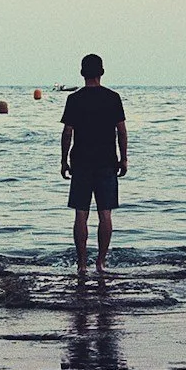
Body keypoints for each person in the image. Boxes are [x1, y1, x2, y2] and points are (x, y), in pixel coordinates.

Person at [58, 53, 128, 278]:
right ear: (102, 72)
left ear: (82, 73)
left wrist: (63, 160)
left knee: (81, 213)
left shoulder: (74, 99)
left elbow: (67, 132)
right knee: (105, 214)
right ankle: (101, 262)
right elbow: (121, 131)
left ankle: (81, 264)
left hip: (81, 162)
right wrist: (124, 158)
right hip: (107, 161)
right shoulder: (113, 98)